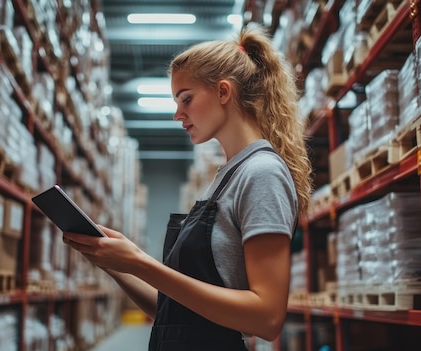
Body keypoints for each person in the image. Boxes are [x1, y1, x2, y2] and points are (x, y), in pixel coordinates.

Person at [64, 25, 312, 350]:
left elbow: (265, 318)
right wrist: (116, 265)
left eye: (186, 99)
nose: (177, 114)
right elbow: (176, 312)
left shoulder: (262, 173)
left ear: (224, 92)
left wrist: (141, 262)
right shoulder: (226, 179)